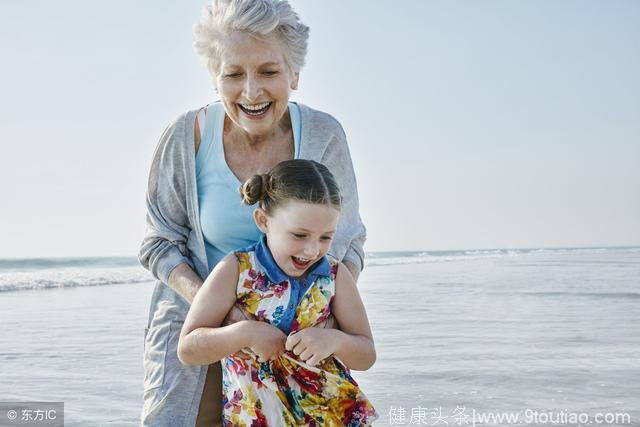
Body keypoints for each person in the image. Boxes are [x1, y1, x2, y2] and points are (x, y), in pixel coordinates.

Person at [138, 0, 366, 425]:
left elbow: (347, 243)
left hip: (293, 343)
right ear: (214, 77)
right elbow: (159, 243)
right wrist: (226, 313)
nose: (251, 92)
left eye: (268, 71)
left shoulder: (323, 135)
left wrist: (322, 325)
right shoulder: (185, 137)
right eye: (233, 74)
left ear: (294, 73)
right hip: (199, 329)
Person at [178, 159, 378, 425]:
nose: (312, 250)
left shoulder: (335, 275)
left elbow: (366, 354)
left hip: (331, 416)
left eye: (326, 237)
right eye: (299, 235)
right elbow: (188, 349)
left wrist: (334, 340)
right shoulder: (237, 269)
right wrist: (244, 333)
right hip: (256, 418)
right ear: (263, 220)